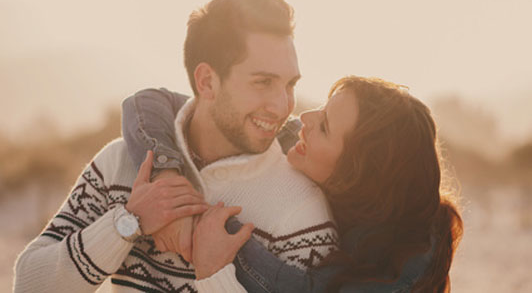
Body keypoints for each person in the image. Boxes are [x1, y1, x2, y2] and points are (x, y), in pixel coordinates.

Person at [13, 0, 338, 292]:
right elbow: (29, 285)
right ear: (207, 81)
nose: (283, 106)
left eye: (289, 84)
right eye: (263, 82)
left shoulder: (302, 211)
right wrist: (126, 224)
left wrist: (215, 274)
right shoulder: (122, 162)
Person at [121, 76, 463, 292]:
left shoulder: (400, 270)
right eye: (322, 109)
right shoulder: (305, 146)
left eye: (326, 126)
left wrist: (209, 228)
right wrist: (168, 178)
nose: (306, 120)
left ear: (357, 174)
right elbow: (146, 103)